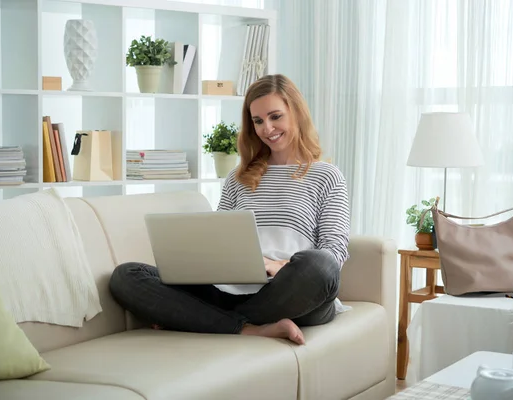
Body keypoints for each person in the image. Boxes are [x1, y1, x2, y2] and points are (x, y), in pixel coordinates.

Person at [109, 74, 350, 345]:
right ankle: (251, 328)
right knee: (125, 276)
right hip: (231, 290)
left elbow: (335, 249)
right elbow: (220, 243)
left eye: (275, 116)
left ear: (296, 112)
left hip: (293, 293)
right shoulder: (238, 178)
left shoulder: (326, 176)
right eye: (258, 121)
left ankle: (199, 319)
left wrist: (278, 265)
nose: (267, 128)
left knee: (321, 266)